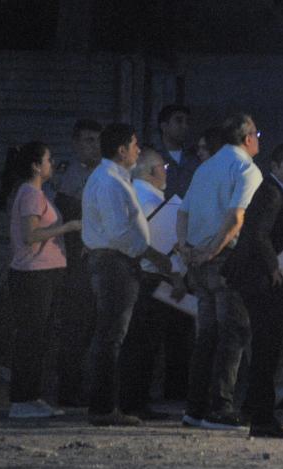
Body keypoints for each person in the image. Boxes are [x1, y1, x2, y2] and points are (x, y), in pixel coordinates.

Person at [82, 123, 173, 426]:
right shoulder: (109, 182)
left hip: (118, 263)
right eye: (134, 145)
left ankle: (110, 405)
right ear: (122, 150)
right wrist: (152, 254)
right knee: (111, 336)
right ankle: (103, 408)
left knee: (113, 336)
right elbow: (120, 233)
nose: (138, 150)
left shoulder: (114, 179)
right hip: (115, 264)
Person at [176, 113, 262, 430]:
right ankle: (220, 407)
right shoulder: (246, 170)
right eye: (257, 135)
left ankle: (194, 408)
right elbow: (236, 218)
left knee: (206, 336)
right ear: (248, 138)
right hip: (225, 259)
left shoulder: (205, 167)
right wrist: (213, 250)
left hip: (197, 260)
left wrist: (186, 248)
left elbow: (182, 212)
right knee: (233, 333)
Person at [222, 143, 283, 439]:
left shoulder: (278, 193)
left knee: (275, 342)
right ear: (274, 167)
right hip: (261, 279)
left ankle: (254, 407)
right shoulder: (272, 193)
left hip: (263, 278)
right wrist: (272, 268)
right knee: (270, 344)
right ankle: (262, 416)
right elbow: (258, 234)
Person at [0, 142, 81, 419]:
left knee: (40, 338)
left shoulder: (38, 193)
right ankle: (21, 399)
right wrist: (67, 227)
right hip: (33, 274)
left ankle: (32, 397)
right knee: (30, 338)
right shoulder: (30, 194)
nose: (52, 164)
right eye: (48, 159)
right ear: (36, 166)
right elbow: (30, 235)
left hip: (45, 273)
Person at [116, 149, 192, 419]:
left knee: (138, 343)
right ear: (150, 171)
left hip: (139, 277)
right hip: (152, 278)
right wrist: (176, 275)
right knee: (144, 345)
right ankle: (136, 402)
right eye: (164, 167)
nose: (166, 172)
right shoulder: (151, 201)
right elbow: (161, 245)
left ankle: (134, 399)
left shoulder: (133, 194)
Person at [51, 119, 102, 407]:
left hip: (93, 262)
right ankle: (69, 389)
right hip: (76, 264)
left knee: (91, 328)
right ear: (75, 143)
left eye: (97, 140)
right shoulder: (70, 178)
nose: (94, 146)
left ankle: (82, 387)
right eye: (88, 140)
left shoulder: (101, 173)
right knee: (76, 328)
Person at [156, 104, 200, 200]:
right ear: (164, 126)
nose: (185, 126)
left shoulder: (195, 158)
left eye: (187, 122)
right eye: (179, 121)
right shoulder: (152, 158)